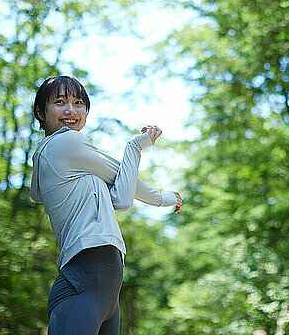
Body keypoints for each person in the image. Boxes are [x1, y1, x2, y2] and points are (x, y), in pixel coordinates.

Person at [29, 75, 183, 335]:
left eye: (78, 103)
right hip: (86, 274)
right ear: (40, 112)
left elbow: (120, 181)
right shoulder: (64, 143)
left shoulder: (78, 170)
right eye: (59, 102)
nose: (71, 110)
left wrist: (161, 197)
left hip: (102, 282)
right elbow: (123, 196)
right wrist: (136, 147)